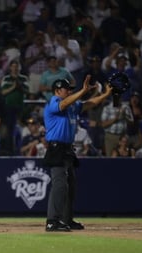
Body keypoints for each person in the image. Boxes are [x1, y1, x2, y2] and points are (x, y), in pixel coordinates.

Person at [43, 75, 113, 232]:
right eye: (66, 89)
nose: (68, 92)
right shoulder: (53, 102)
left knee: (71, 185)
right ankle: (52, 221)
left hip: (68, 148)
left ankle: (66, 219)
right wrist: (82, 91)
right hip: (56, 148)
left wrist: (106, 95)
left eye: (70, 90)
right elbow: (64, 104)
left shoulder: (72, 106)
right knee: (60, 184)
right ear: (57, 90)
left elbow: (89, 104)